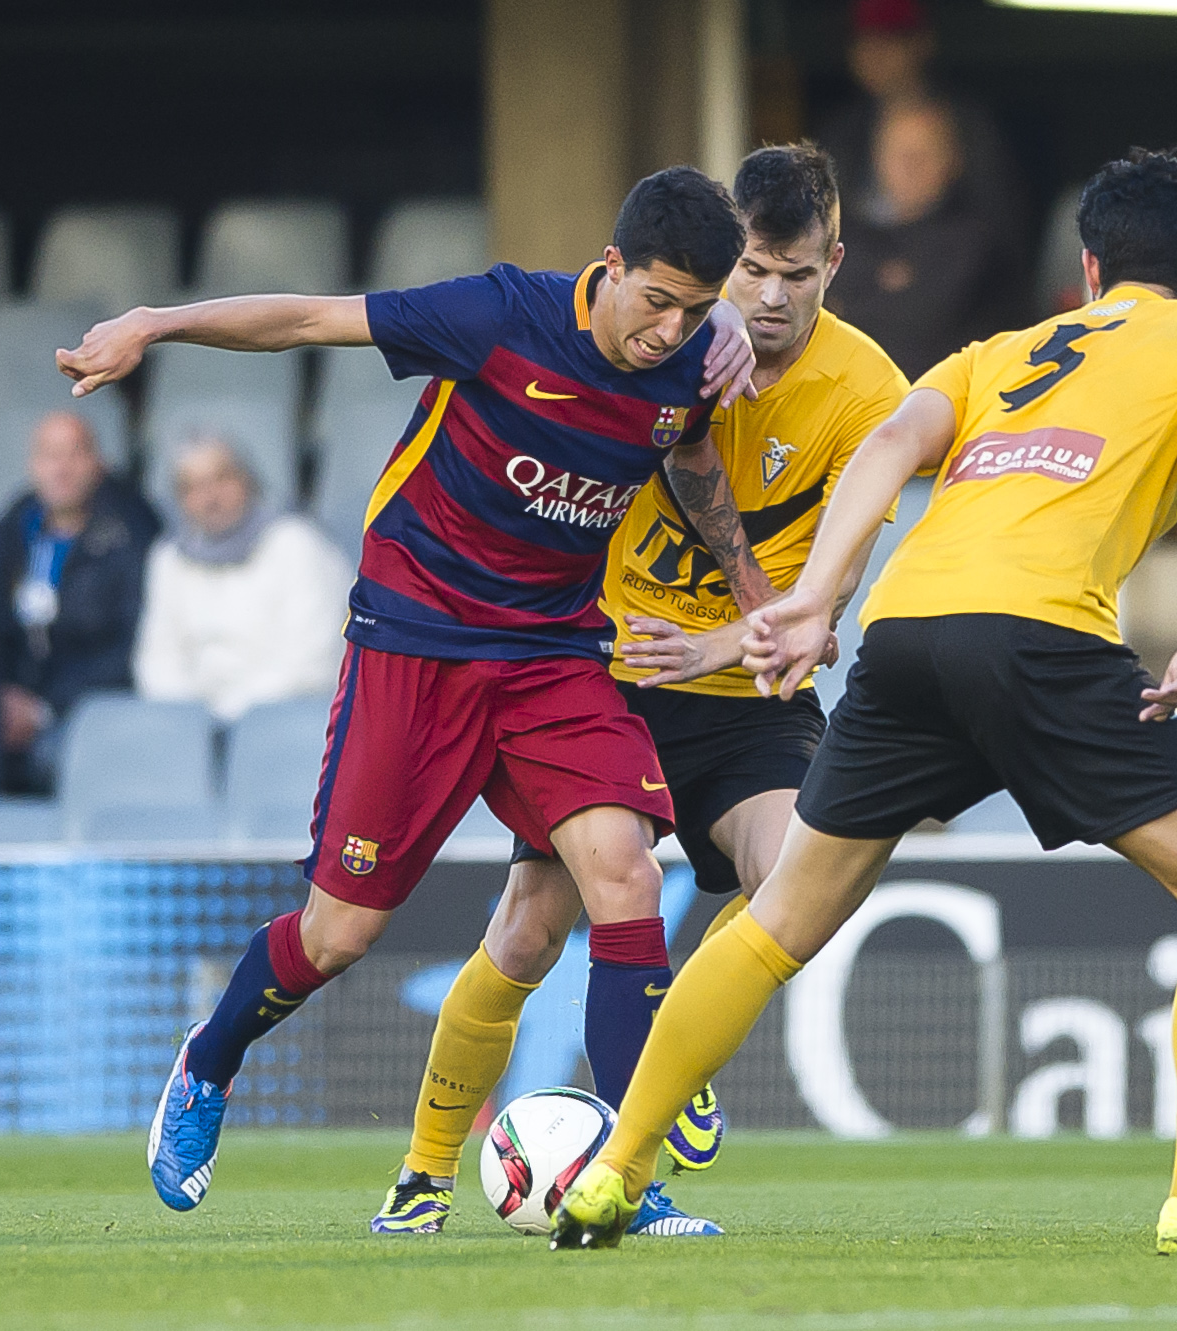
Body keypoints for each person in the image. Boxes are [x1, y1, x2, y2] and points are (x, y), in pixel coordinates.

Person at [553, 149, 1177, 1256]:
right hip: (1039, 638)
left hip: (905, 633)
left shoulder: (997, 351)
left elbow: (888, 445)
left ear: (1084, 270)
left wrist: (809, 598)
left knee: (780, 917)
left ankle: (612, 1168)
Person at [55, 167, 768, 1230]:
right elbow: (303, 317)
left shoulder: (690, 368)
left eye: (694, 310)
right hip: (416, 641)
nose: (669, 328)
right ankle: (207, 1062)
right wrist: (155, 324)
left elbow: (690, 455)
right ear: (608, 265)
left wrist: (753, 586)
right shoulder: (495, 315)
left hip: (554, 653)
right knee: (337, 934)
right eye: (654, 298)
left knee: (624, 876)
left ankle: (628, 1168)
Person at [378, 143, 909, 1238]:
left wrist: (724, 647)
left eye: (796, 277)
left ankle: (675, 1042)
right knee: (526, 931)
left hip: (743, 685)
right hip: (603, 676)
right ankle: (423, 1169)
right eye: (752, 271)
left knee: (799, 874)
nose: (768, 299)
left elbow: (828, 600)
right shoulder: (662, 344)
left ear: (833, 265)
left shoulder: (869, 394)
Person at [0, 410, 160, 780]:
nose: (61, 468)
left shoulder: (133, 535)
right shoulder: (10, 534)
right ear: (32, 466)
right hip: (19, 708)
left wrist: (46, 707)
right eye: (49, 455)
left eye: (75, 454)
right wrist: (3, 695)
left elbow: (135, 646)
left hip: (100, 708)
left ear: (98, 463)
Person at [130, 436, 346, 722]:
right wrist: (195, 718)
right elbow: (157, 661)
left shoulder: (298, 544)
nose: (210, 497)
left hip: (287, 717)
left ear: (248, 480)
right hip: (194, 723)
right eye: (192, 487)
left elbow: (313, 660)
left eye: (221, 479)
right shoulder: (167, 558)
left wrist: (233, 714)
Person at [816, 0, 1024, 264]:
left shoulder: (969, 126)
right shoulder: (842, 134)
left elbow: (1001, 227)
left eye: (889, 42)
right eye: (864, 42)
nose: (875, 55)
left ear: (922, 43)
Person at [831, 98, 1017, 377]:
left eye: (922, 155)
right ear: (876, 160)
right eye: (899, 154)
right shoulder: (846, 235)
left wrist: (853, 303)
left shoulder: (977, 242)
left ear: (952, 161)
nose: (909, 167)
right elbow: (821, 316)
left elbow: (924, 322)